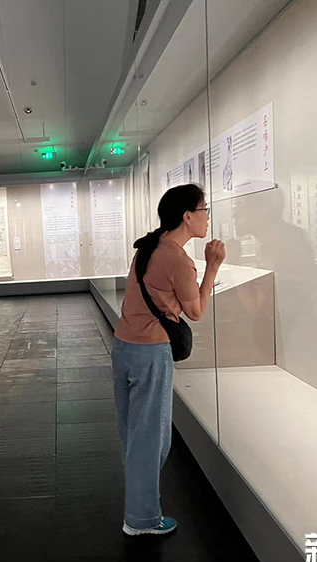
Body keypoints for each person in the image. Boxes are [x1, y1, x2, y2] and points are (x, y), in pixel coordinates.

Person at [112, 184, 225, 536]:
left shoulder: (149, 247)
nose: (207, 218)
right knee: (152, 439)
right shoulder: (177, 258)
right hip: (150, 352)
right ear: (188, 216)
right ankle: (142, 520)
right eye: (204, 210)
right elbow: (197, 311)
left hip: (124, 346)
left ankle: (139, 511)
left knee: (135, 434)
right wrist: (212, 267)